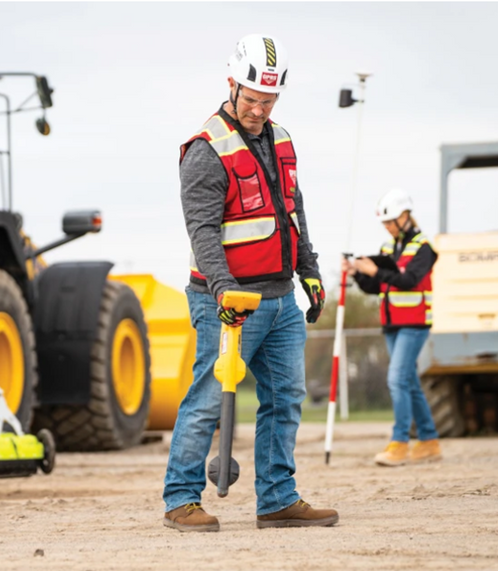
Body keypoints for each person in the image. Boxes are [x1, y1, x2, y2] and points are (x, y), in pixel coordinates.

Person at [162, 34, 339, 532]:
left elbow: (291, 212)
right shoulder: (205, 150)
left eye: (269, 100)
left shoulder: (281, 139)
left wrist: (310, 269)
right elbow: (202, 232)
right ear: (232, 84)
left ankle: (278, 500)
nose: (260, 109)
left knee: (285, 399)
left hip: (281, 299)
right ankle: (181, 500)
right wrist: (223, 290)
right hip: (228, 302)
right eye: (252, 99)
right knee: (205, 400)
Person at [343, 189, 441, 467]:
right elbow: (377, 287)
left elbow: (409, 280)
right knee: (408, 382)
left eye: (390, 221)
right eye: (384, 223)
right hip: (392, 324)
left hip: (415, 324)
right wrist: (359, 274)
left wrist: (376, 271)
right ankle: (429, 441)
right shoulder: (388, 249)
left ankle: (399, 442)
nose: (387, 227)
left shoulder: (424, 248)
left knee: (397, 379)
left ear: (405, 216)